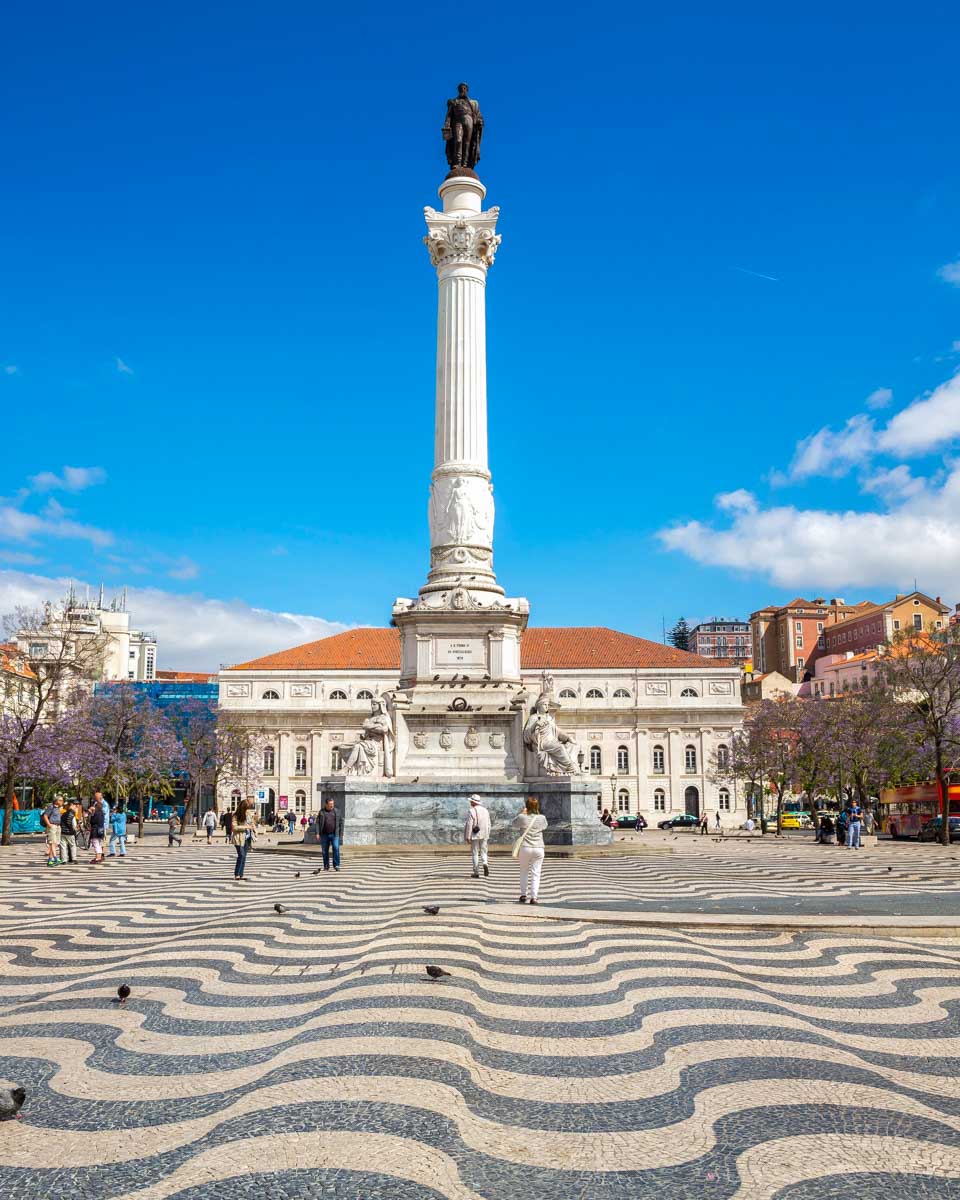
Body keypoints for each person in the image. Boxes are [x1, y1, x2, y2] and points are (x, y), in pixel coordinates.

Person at [514, 797, 547, 904]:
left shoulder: (522, 817)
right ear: (537, 806)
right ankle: (534, 897)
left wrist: (522, 813)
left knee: (523, 871)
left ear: (526, 806)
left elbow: (514, 824)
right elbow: (545, 826)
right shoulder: (542, 817)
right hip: (538, 847)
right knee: (536, 873)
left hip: (525, 847)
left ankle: (523, 895)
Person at [464, 794, 491, 878]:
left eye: (471, 801)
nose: (470, 802)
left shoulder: (471, 811)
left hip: (475, 834)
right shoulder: (486, 810)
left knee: (475, 853)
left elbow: (469, 825)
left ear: (473, 802)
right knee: (484, 851)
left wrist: (468, 837)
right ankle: (485, 863)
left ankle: (476, 872)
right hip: (484, 834)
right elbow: (489, 823)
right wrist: (488, 833)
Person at [232, 798, 257, 881]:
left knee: (244, 856)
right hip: (239, 838)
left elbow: (252, 822)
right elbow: (234, 827)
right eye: (247, 807)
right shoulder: (236, 816)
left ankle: (241, 874)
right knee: (241, 855)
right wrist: (246, 827)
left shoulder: (248, 814)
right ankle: (237, 874)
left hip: (247, 838)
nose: (248, 809)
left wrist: (254, 828)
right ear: (243, 808)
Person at [317, 799, 341, 871]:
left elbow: (341, 822)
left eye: (333, 804)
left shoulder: (337, 811)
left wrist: (341, 833)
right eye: (330, 804)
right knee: (324, 851)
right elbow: (317, 823)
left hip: (334, 834)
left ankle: (336, 865)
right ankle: (326, 865)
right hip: (324, 834)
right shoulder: (322, 812)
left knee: (336, 848)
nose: (332, 805)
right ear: (326, 805)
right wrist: (317, 833)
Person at [41, 796, 63, 866]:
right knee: (52, 842)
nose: (62, 802)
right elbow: (45, 815)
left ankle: (50, 860)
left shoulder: (58, 808)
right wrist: (49, 824)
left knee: (56, 843)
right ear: (56, 801)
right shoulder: (51, 807)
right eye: (61, 800)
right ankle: (55, 858)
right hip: (52, 826)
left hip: (58, 826)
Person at [60, 798, 80, 865]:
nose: (76, 807)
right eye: (75, 805)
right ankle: (74, 859)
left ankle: (63, 860)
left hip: (62, 832)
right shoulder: (72, 814)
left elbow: (61, 822)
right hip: (70, 833)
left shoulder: (63, 814)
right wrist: (75, 829)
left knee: (63, 846)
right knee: (72, 846)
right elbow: (74, 824)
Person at [88, 797, 106, 865]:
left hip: (95, 830)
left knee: (96, 844)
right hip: (100, 830)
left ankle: (98, 857)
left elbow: (92, 821)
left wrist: (91, 814)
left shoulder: (96, 814)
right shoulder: (101, 813)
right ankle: (98, 857)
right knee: (98, 843)